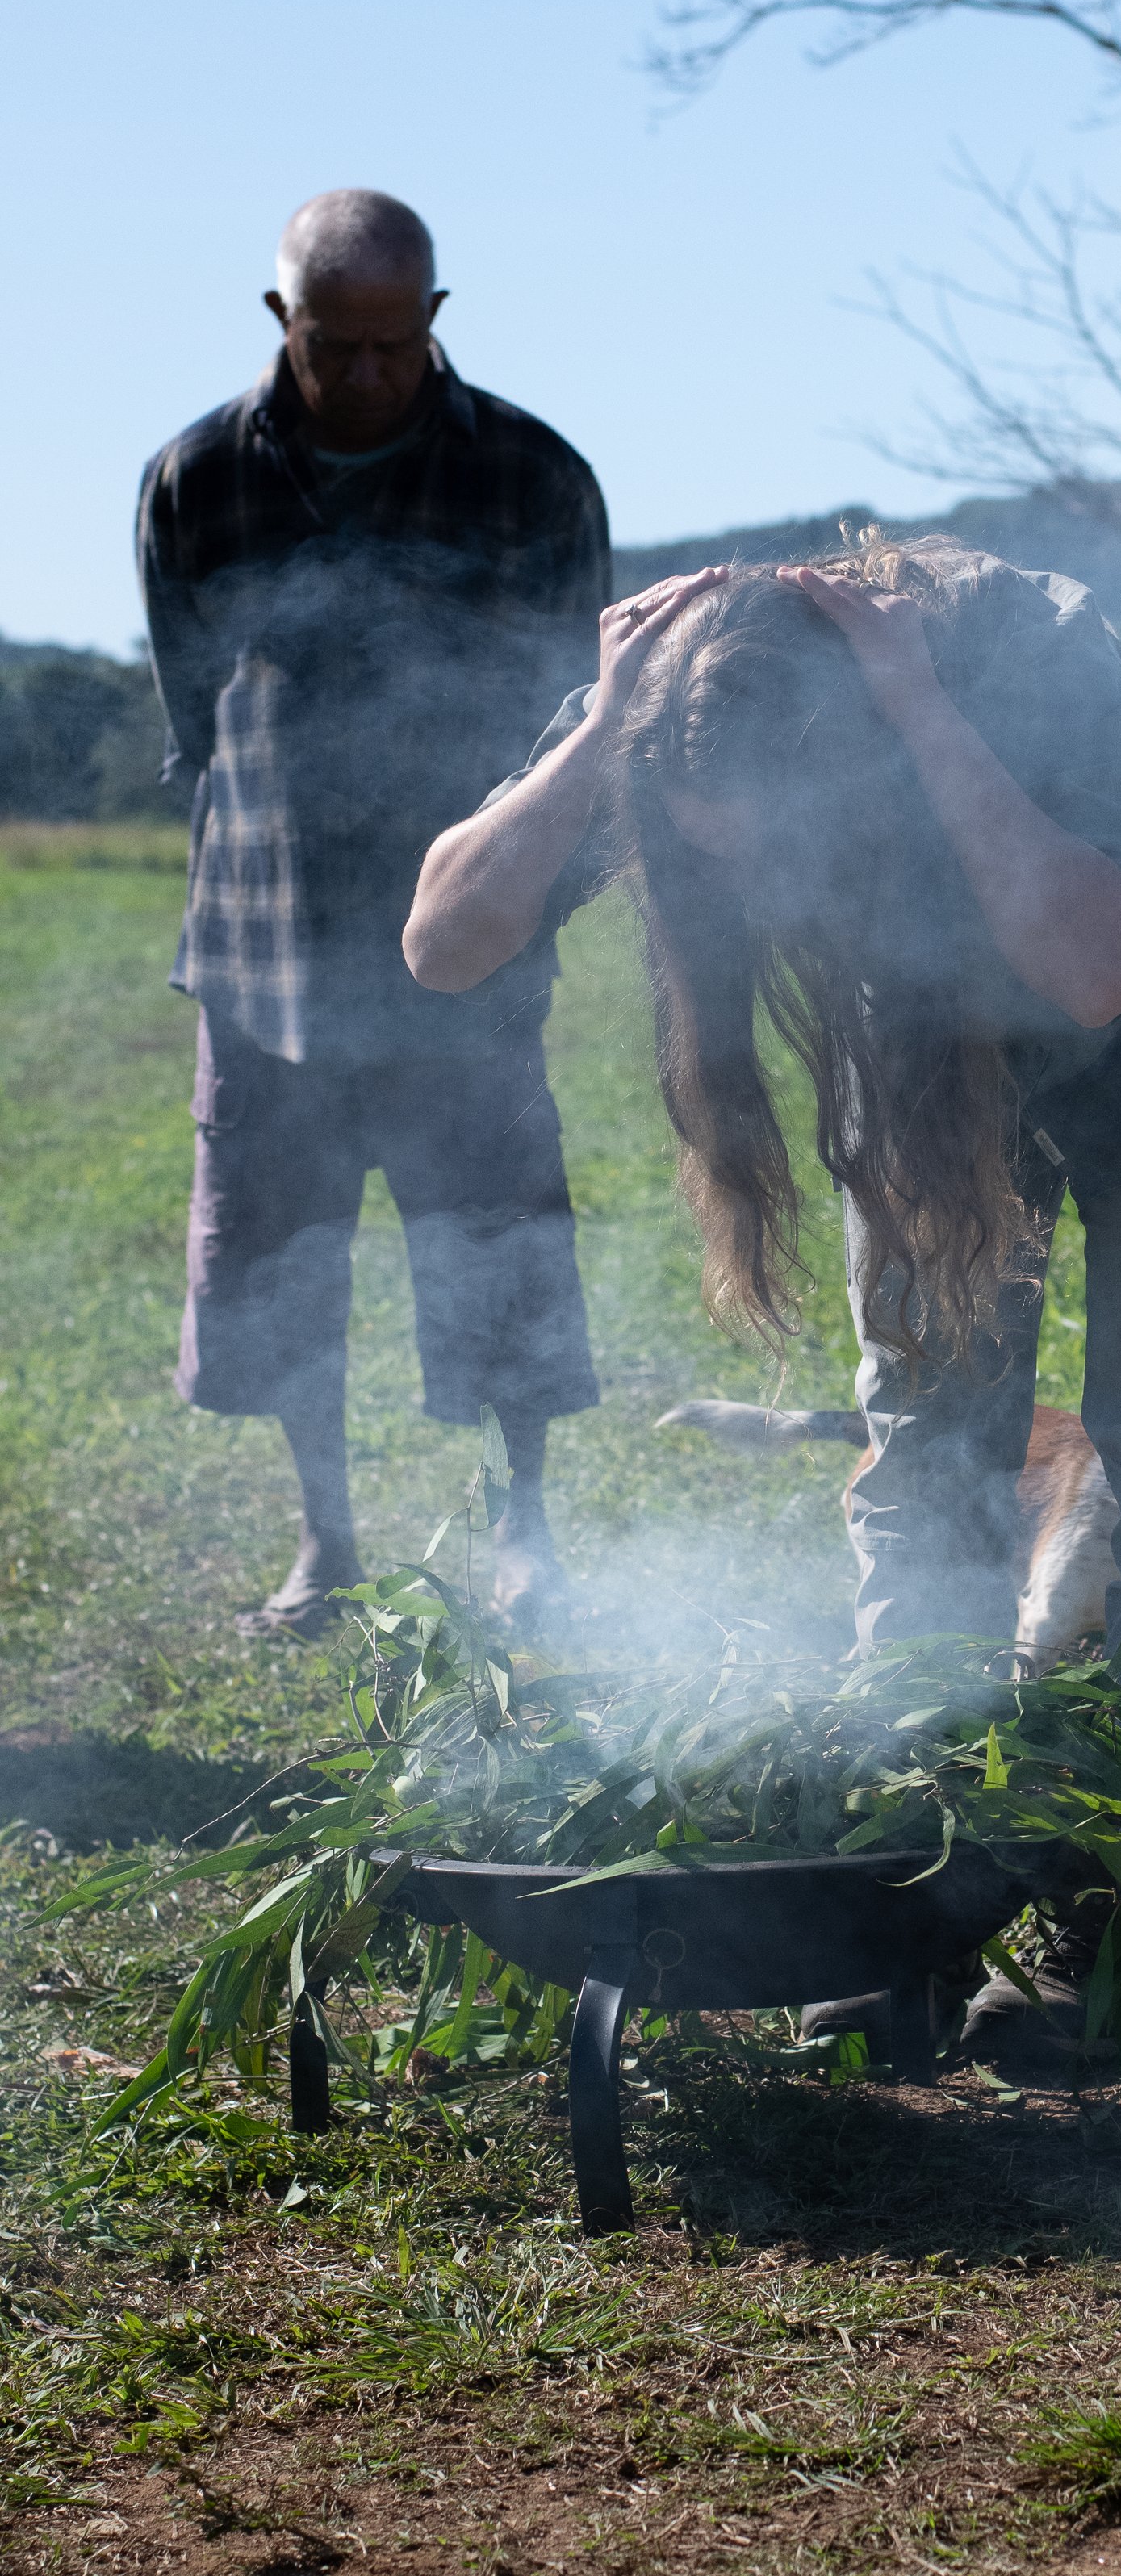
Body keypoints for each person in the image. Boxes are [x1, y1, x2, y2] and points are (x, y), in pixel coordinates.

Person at [403, 533, 1121, 2051]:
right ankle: (913, 1894)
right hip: (930, 1053)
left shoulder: (1025, 665)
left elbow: (1091, 972)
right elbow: (444, 941)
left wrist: (929, 719)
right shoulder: (680, 687)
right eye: (716, 858)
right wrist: (598, 732)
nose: (753, 890)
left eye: (782, 852)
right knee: (926, 1443)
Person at [137, 190, 611, 1637]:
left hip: (463, 954)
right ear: (282, 319)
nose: (364, 375)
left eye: (393, 345)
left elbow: (586, 727)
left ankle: (523, 1526)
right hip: (267, 953)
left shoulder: (532, 477)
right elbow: (193, 728)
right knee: (280, 1250)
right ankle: (325, 1541)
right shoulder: (197, 481)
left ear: (436, 320)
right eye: (334, 345)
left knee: (498, 1235)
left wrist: (519, 911)